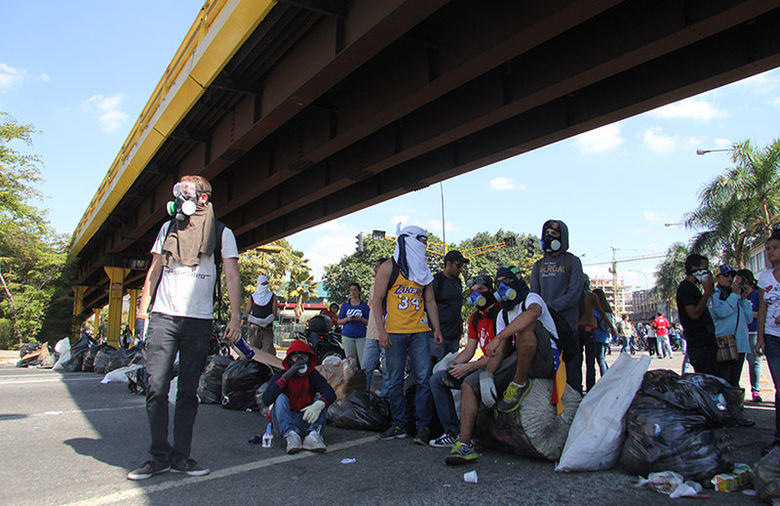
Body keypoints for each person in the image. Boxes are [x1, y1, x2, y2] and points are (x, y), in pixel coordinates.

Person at [129, 175, 242, 481]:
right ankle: (158, 457)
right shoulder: (167, 229)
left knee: (188, 392)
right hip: (163, 317)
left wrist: (235, 317)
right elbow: (153, 272)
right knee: (155, 387)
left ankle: (181, 457)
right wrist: (143, 313)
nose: (180, 197)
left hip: (198, 320)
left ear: (203, 198)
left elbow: (231, 275)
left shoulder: (221, 232)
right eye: (177, 191)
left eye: (187, 192)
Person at [446, 265, 558, 465]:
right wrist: (488, 375)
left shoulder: (531, 299)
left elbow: (532, 315)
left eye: (505, 283)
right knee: (470, 384)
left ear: (516, 282)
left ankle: (519, 384)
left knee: (525, 327)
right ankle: (464, 444)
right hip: (519, 357)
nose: (502, 288)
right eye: (498, 285)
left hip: (545, 357)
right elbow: (501, 350)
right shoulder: (503, 315)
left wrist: (499, 337)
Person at [371, 225, 443, 445]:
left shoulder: (424, 269)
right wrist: (381, 332)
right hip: (395, 332)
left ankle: (422, 427)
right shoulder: (388, 267)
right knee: (393, 380)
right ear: (409, 240)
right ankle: (399, 424)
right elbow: (376, 300)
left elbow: (429, 300)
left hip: (420, 332)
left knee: (423, 379)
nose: (425, 245)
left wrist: (437, 328)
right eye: (422, 240)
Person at [429, 275, 499, 448]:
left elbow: (500, 354)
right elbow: (469, 350)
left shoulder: (499, 314)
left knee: (468, 381)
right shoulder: (476, 316)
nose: (477, 295)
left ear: (491, 291)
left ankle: (472, 435)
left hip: (495, 366)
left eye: (481, 291)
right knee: (438, 379)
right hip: (479, 363)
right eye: (473, 292)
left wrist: (467, 368)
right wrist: (452, 366)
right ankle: (451, 432)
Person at [530, 219, 584, 393]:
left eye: (553, 233)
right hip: (545, 328)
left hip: (568, 327)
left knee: (572, 374)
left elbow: (574, 294)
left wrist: (549, 308)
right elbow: (534, 295)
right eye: (546, 233)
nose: (548, 236)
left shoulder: (572, 262)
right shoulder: (537, 265)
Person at [262, 339, 336, 454]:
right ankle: (290, 435)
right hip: (286, 419)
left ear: (308, 359)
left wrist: (319, 404)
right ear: (290, 359)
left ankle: (313, 435)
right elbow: (266, 399)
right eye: (296, 357)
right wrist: (287, 376)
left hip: (306, 417)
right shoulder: (281, 375)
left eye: (304, 357)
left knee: (321, 400)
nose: (300, 360)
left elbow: (330, 393)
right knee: (280, 397)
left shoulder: (312, 375)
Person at [676, 253, 722, 378]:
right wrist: (706, 293)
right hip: (700, 345)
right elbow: (694, 314)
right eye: (704, 268)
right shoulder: (686, 289)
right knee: (707, 380)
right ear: (693, 268)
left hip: (707, 343)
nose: (706, 273)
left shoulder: (694, 288)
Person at [709, 264, 753, 387]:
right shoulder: (714, 294)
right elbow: (721, 312)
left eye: (732, 276)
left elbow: (749, 319)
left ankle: (734, 404)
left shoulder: (736, 295)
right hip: (725, 341)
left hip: (740, 343)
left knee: (734, 380)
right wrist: (734, 296)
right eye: (726, 275)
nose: (730, 278)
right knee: (724, 380)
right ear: (718, 277)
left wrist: (743, 299)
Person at [758, 230, 780, 454]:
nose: (770, 252)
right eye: (768, 249)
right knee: (779, 388)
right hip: (773, 338)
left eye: (774, 248)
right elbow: (763, 309)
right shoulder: (765, 277)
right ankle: (778, 437)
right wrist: (761, 338)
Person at [432, 250, 468, 362]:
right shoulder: (436, 280)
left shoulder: (458, 282)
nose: (460, 269)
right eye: (458, 265)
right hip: (439, 334)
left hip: (454, 334)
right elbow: (429, 305)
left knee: (450, 369)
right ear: (448, 264)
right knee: (435, 369)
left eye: (462, 266)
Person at [362, 258, 390, 394]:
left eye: (377, 267)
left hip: (388, 334)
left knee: (387, 371)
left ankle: (386, 400)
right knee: (365, 369)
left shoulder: (393, 287)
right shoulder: (373, 287)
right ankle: (363, 399)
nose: (374, 270)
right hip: (372, 333)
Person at [576, 277, 599, 394]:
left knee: (578, 361)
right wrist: (611, 326)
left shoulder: (575, 296)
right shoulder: (591, 296)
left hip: (577, 328)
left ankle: (578, 386)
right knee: (590, 361)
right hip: (589, 328)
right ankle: (591, 387)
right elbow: (600, 311)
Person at [743, 268, 763, 402]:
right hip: (741, 332)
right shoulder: (739, 296)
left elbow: (761, 313)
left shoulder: (756, 294)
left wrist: (750, 314)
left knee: (754, 361)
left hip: (753, 331)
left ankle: (755, 390)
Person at [338, 283, 370, 367]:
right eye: (351, 290)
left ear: (359, 291)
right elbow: (339, 321)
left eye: (355, 290)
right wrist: (347, 319)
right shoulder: (345, 305)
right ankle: (352, 379)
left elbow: (369, 322)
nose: (353, 292)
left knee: (364, 360)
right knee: (350, 362)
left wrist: (360, 319)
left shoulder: (364, 305)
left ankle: (363, 378)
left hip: (361, 336)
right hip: (348, 336)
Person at [244, 275, 278, 355]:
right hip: (255, 329)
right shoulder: (252, 297)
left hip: (267, 328)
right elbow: (247, 313)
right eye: (263, 284)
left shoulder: (272, 296)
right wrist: (257, 321)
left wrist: (266, 320)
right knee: (255, 351)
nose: (265, 286)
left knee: (268, 351)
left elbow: (274, 313)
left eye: (266, 284)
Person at [592, 288, 616, 380]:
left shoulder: (596, 310)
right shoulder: (607, 308)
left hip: (598, 336)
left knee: (600, 359)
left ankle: (605, 378)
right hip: (606, 336)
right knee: (602, 358)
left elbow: (594, 323)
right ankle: (608, 375)